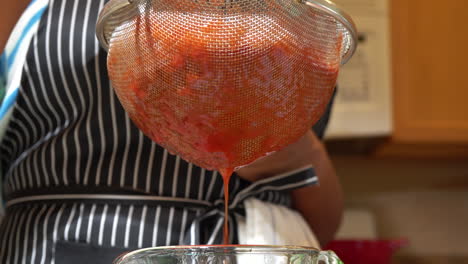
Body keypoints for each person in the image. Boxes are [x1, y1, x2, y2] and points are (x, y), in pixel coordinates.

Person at [0, 0, 343, 263]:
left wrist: (303, 156)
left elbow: (321, 226)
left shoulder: (302, 18)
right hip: (60, 244)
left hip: (265, 246)